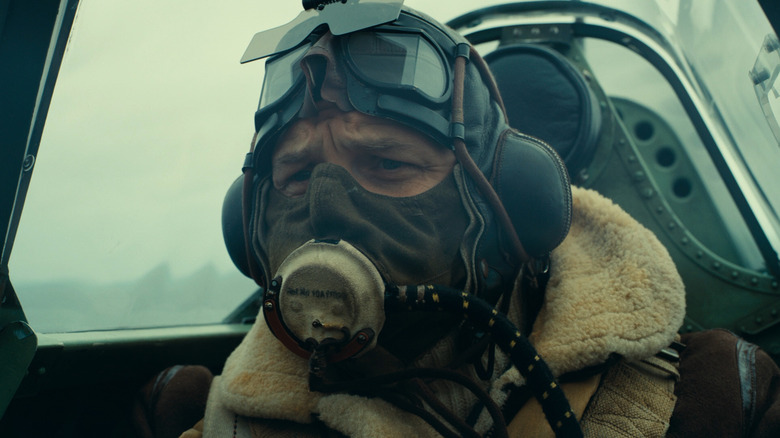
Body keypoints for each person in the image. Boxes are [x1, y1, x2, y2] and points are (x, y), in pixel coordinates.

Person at [148, 2, 780, 437]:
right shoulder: (200, 414)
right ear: (249, 230)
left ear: (506, 204)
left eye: (388, 163)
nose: (326, 209)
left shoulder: (716, 399)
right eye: (298, 175)